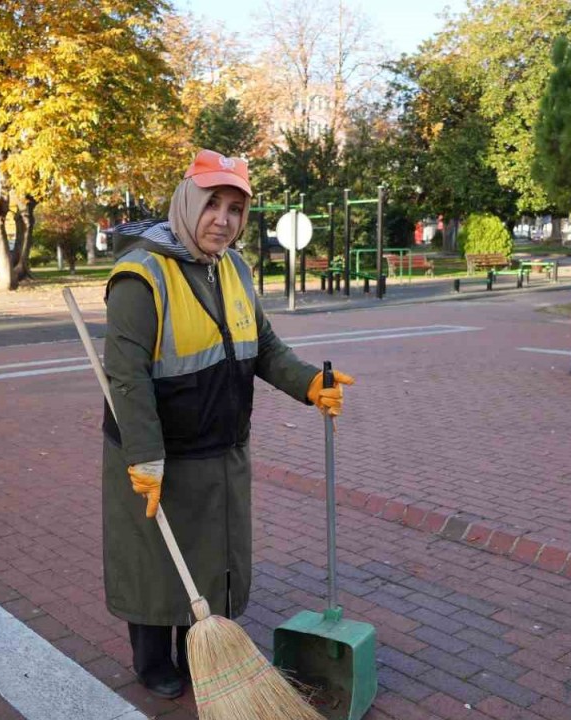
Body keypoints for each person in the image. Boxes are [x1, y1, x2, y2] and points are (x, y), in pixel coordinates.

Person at [101, 149, 355, 699]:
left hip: (221, 444)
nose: (223, 219)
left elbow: (261, 346)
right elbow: (127, 378)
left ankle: (201, 649)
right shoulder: (139, 276)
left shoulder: (233, 268)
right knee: (156, 557)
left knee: (212, 555)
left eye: (236, 209)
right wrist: (144, 455)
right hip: (157, 450)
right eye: (212, 204)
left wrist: (309, 382)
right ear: (187, 203)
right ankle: (153, 662)